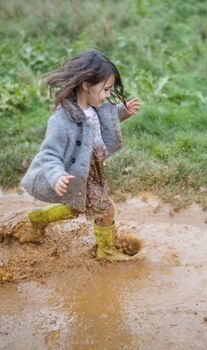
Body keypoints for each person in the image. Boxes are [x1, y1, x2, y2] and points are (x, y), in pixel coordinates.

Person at [19, 49, 141, 262]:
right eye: (105, 89)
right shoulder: (62, 121)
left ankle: (38, 218)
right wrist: (56, 176)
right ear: (86, 84)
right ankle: (106, 250)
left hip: (93, 168)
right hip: (76, 172)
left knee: (76, 207)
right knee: (105, 210)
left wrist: (123, 112)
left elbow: (99, 126)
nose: (106, 95)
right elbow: (49, 154)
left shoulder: (95, 108)